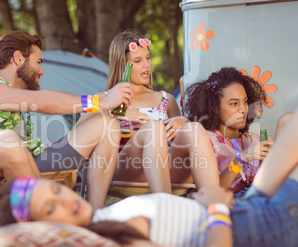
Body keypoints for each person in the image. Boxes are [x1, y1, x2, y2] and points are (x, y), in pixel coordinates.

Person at [0, 86, 298, 247]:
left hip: (251, 204)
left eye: (55, 193)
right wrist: (217, 210)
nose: (64, 200)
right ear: (46, 230)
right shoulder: (115, 246)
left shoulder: (105, 221)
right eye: (51, 210)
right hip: (263, 226)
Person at [0, 30, 134, 210]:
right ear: (18, 58)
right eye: (38, 62)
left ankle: (95, 215)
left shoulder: (21, 104)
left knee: (107, 123)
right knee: (7, 141)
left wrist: (102, 105)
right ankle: (45, 219)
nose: (42, 71)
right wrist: (98, 101)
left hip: (30, 168)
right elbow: (42, 102)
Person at [77, 29, 220, 193]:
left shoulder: (165, 99)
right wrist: (112, 112)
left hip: (164, 168)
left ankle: (214, 204)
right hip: (123, 169)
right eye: (137, 61)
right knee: (154, 128)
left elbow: (179, 140)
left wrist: (184, 122)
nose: (146, 65)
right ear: (122, 65)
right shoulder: (103, 99)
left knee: (194, 128)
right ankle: (165, 206)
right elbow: (77, 137)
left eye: (148, 58)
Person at [184, 67, 277, 197]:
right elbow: (212, 193)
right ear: (214, 107)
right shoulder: (206, 141)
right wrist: (242, 157)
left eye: (245, 102)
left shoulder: (256, 140)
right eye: (234, 104)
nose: (243, 109)